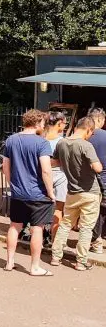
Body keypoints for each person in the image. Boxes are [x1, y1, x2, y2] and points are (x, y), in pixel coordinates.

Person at [3, 109, 55, 276]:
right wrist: (51, 192)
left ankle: (9, 262)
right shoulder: (42, 143)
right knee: (37, 229)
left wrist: (13, 184)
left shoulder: (11, 140)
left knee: (14, 226)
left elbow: (5, 167)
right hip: (38, 193)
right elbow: (46, 170)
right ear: (38, 123)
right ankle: (34, 266)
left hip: (18, 192)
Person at [50, 116, 103, 271]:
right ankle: (81, 261)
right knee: (86, 228)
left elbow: (55, 162)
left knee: (66, 224)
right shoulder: (86, 146)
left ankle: (55, 256)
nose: (91, 136)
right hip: (90, 192)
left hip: (72, 191)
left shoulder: (62, 142)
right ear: (88, 129)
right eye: (91, 133)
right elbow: (98, 168)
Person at [44, 111, 68, 240]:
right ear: (59, 123)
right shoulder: (62, 141)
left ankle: (39, 236)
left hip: (42, 175)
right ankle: (54, 240)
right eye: (64, 123)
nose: (65, 125)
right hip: (59, 176)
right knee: (59, 210)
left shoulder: (41, 138)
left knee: (40, 208)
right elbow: (62, 161)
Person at [88, 108, 106, 254]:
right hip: (105, 177)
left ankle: (96, 241)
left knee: (95, 212)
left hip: (89, 179)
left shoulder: (85, 136)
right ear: (99, 119)